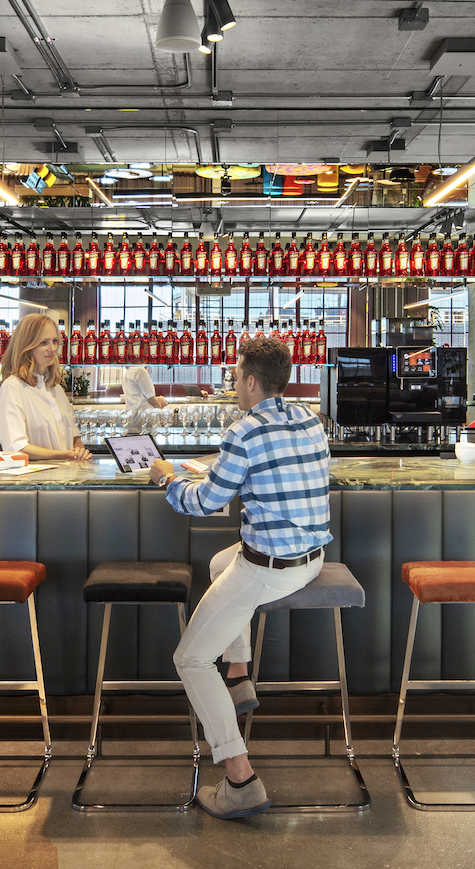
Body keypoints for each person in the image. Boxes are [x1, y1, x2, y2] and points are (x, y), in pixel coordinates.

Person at [150, 336, 330, 820]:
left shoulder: (244, 430)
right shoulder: (309, 418)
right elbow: (265, 474)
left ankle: (240, 778)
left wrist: (168, 478)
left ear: (251, 381)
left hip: (269, 567)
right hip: (309, 557)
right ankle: (239, 677)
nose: (232, 383)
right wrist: (219, 471)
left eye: (234, 376)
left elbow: (207, 504)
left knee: (189, 658)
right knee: (216, 565)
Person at [0, 312, 91, 461]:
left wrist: (79, 450)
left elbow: (74, 438)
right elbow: (16, 447)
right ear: (26, 346)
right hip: (33, 481)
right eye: (43, 342)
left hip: (65, 478)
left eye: (54, 341)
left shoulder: (56, 388)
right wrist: (65, 455)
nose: (52, 348)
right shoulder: (13, 387)